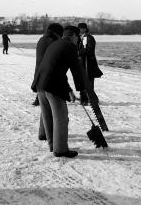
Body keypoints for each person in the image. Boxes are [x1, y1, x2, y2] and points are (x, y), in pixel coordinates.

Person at [31, 26, 86, 158]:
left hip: (40, 85)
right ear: (73, 36)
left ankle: (52, 145)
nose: (78, 39)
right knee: (61, 118)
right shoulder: (70, 47)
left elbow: (57, 69)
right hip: (52, 86)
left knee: (48, 116)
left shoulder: (55, 44)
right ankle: (60, 150)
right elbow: (76, 71)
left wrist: (69, 90)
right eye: (77, 37)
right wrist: (82, 90)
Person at [32, 23, 64, 141]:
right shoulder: (52, 42)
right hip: (48, 77)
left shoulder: (42, 39)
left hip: (39, 76)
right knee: (51, 109)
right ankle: (52, 139)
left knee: (45, 107)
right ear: (56, 33)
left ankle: (42, 133)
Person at [77, 23, 103, 106]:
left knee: (89, 83)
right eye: (79, 28)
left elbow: (90, 49)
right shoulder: (80, 37)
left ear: (85, 29)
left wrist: (78, 52)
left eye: (81, 28)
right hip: (82, 63)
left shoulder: (89, 38)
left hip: (89, 64)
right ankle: (87, 99)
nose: (79, 30)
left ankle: (93, 100)